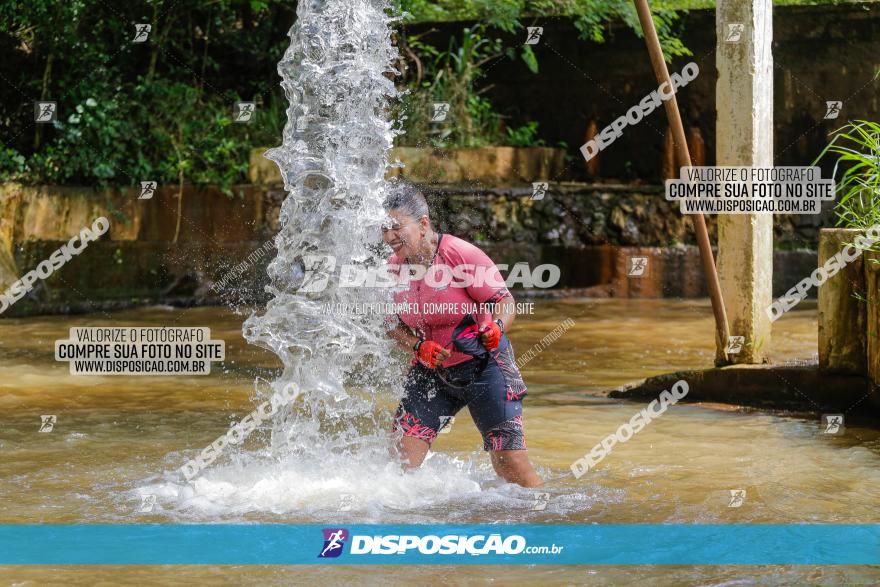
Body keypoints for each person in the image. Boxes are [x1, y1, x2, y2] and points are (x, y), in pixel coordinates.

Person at [381, 183, 542, 487]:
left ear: (423, 224)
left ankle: (547, 519)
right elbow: (391, 325)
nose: (389, 237)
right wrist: (418, 346)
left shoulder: (460, 254)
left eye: (395, 227)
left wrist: (497, 328)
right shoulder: (391, 269)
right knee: (398, 467)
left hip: (486, 365)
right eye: (383, 229)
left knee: (510, 465)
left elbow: (504, 303)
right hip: (432, 372)